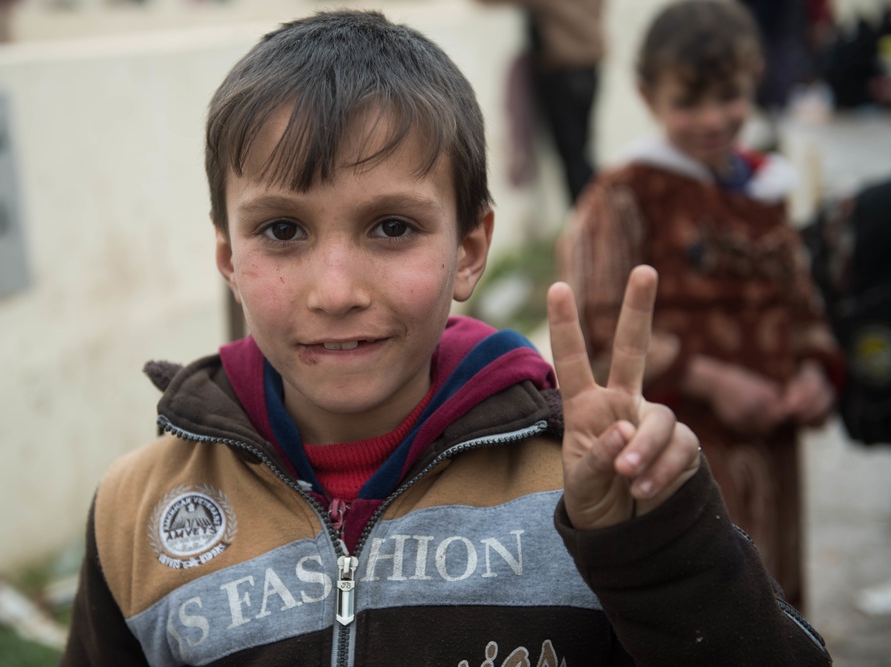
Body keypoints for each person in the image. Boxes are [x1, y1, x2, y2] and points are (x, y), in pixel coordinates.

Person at [61, 9, 832, 665]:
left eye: (392, 226)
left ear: (468, 249)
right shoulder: (138, 514)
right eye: (282, 229)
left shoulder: (577, 489)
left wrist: (657, 543)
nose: (336, 291)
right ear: (229, 255)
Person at [561, 0, 843, 614]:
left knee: (772, 605)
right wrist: (709, 379)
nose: (713, 118)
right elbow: (597, 327)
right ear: (647, 94)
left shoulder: (768, 190)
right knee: (697, 610)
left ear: (755, 79)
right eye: (689, 101)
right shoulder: (625, 196)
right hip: (675, 451)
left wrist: (816, 371)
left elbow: (802, 303)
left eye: (730, 95)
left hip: (773, 454)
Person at [480, 0, 604, 203]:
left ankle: (590, 218)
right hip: (586, 65)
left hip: (565, 70)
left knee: (574, 157)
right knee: (580, 153)